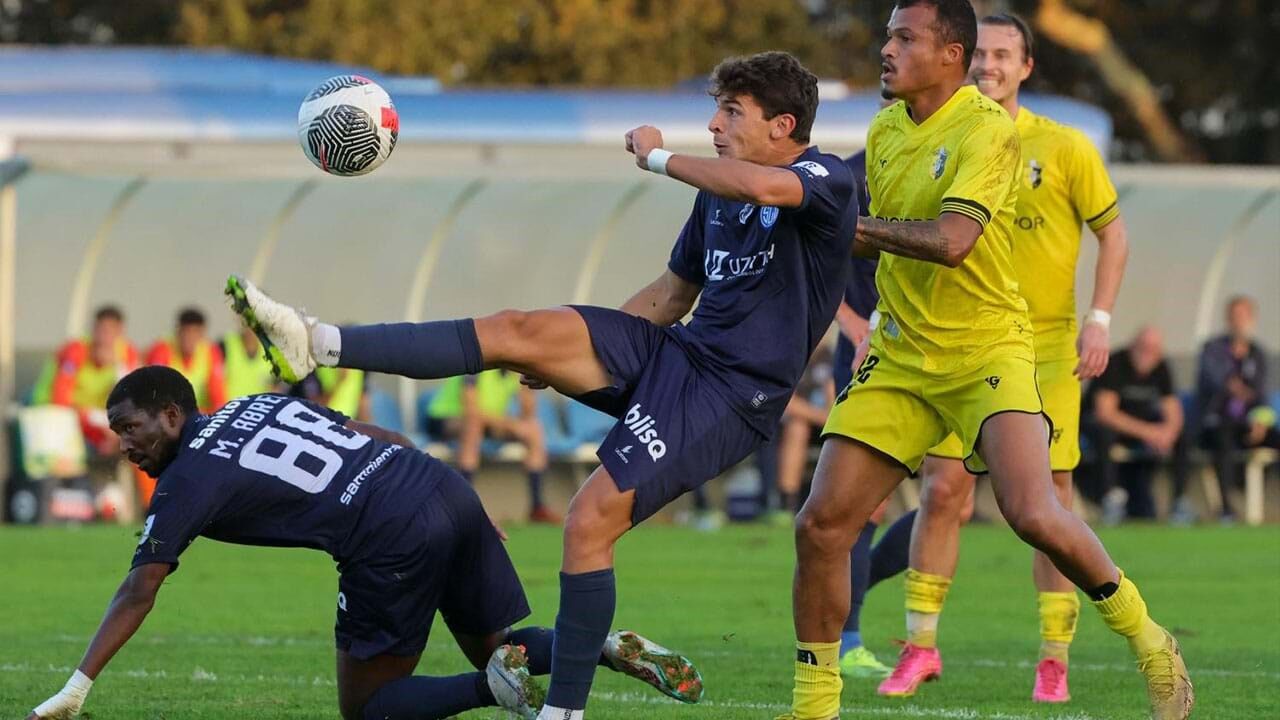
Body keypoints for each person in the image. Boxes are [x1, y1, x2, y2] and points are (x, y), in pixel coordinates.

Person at [227, 50, 856, 720]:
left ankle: (564, 712)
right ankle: (319, 341)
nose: (715, 124)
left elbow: (762, 190)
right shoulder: (718, 196)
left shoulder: (825, 178)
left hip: (728, 395)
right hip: (676, 352)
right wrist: (573, 356)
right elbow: (673, 295)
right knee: (518, 330)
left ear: (784, 125)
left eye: (732, 112)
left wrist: (655, 158)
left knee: (587, 523)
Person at [783, 3, 1191, 720]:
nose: (886, 50)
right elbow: (880, 246)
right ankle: (815, 707)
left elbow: (949, 241)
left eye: (904, 38)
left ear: (951, 55)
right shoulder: (883, 130)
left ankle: (1148, 636)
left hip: (988, 349)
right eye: (887, 35)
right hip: (905, 356)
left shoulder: (991, 129)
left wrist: (838, 224)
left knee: (1034, 510)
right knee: (820, 526)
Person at [26, 366, 699, 720]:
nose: (124, 444)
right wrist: (457, 511)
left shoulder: (184, 477)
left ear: (172, 415)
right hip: (436, 485)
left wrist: (77, 686)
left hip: (388, 531)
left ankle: (493, 694)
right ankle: (602, 645)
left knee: (371, 707)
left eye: (131, 427)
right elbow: (377, 437)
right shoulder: (255, 404)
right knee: (503, 646)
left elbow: (140, 587)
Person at [858, 12, 1135, 703]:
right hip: (958, 343)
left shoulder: (1062, 146)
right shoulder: (931, 130)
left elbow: (1115, 235)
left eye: (1005, 54)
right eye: (982, 53)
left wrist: (1098, 320)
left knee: (1047, 505)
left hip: (1044, 350)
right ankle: (919, 646)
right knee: (943, 491)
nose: (991, 63)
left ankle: (1054, 656)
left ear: (1027, 66)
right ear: (962, 58)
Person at [426, 369, 559, 523]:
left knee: (533, 429)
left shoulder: (513, 372)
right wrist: (509, 425)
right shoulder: (475, 368)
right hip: (446, 417)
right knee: (473, 426)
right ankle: (464, 506)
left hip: (489, 422)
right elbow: (471, 411)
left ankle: (537, 507)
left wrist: (529, 381)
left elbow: (527, 414)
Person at [1085, 326, 1186, 523]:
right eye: (1144, 347)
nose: (1148, 354)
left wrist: (1167, 433)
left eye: (1154, 350)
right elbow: (1105, 413)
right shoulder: (1115, 363)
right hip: (1106, 427)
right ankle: (1109, 498)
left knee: (1182, 437)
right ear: (1133, 346)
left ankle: (1179, 502)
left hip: (1140, 429)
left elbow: (1173, 411)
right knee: (1104, 434)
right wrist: (1149, 433)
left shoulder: (1162, 368)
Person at [1196, 295, 1272, 521]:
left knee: (1272, 438)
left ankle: (1243, 488)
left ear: (1252, 319)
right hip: (1217, 423)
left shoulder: (1258, 354)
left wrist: (1261, 421)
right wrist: (1239, 388)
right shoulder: (1213, 349)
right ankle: (1226, 509)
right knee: (1224, 441)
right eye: (1234, 316)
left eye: (1244, 316)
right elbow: (1220, 382)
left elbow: (1262, 396)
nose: (1239, 321)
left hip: (1247, 423)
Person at [35, 305, 139, 457]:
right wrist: (98, 420)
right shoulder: (76, 350)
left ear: (120, 333)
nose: (103, 338)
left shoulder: (126, 353)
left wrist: (118, 366)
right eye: (100, 330)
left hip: (96, 423)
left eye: (110, 332)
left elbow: (131, 401)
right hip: (54, 415)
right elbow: (59, 401)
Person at [146, 307, 227, 413]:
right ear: (178, 331)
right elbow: (156, 395)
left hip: (199, 415)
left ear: (202, 335)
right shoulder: (162, 349)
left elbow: (218, 398)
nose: (190, 339)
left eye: (195, 333)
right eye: (186, 332)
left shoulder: (211, 352)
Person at [220, 322, 278, 399]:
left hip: (256, 409)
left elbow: (276, 388)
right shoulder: (225, 345)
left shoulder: (272, 352)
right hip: (230, 408)